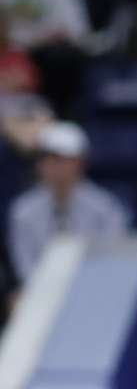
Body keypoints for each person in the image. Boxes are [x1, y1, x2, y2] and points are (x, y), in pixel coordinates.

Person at [7, 120, 128, 281]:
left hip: (93, 289)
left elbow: (111, 261)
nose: (53, 166)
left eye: (61, 159)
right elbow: (25, 267)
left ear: (80, 163)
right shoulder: (22, 211)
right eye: (47, 159)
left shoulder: (106, 209)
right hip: (40, 293)